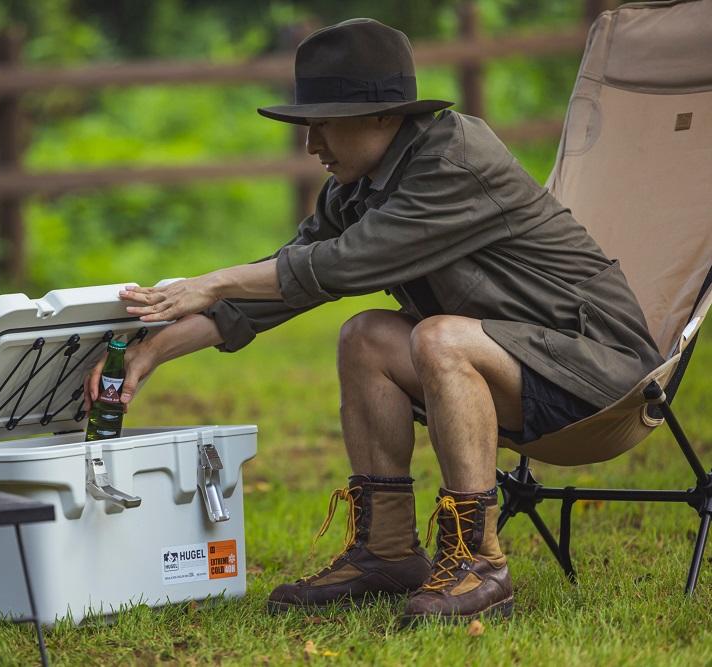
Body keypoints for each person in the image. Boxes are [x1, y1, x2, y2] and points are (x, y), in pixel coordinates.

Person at [85, 18, 662, 623]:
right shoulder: (357, 190)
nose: (311, 145)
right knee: (365, 336)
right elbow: (281, 285)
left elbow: (344, 263)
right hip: (517, 366)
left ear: (386, 116)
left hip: (599, 373)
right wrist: (148, 355)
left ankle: (479, 564)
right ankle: (386, 553)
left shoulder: (455, 162)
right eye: (308, 126)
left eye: (324, 123)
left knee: (438, 336)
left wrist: (210, 280)